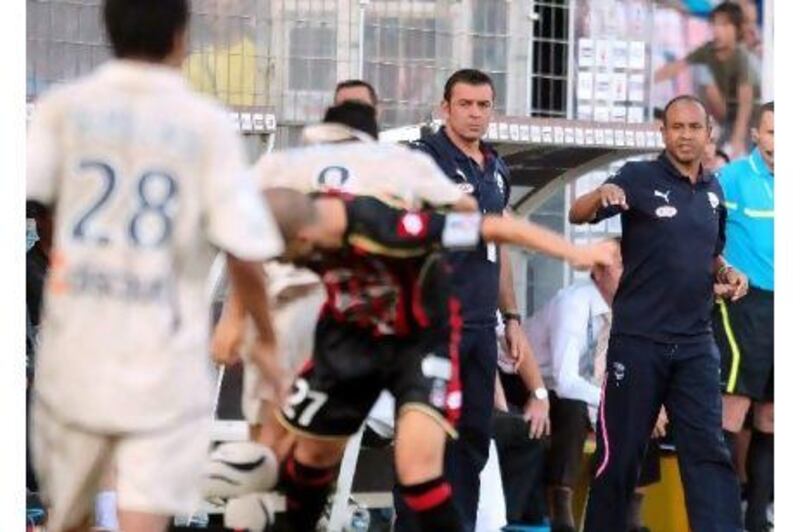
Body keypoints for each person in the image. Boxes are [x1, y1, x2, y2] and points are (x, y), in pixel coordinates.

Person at [26, 1, 285, 531]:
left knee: (68, 515)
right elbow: (245, 247)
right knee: (144, 510)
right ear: (180, 36)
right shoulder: (204, 123)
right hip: (162, 356)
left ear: (107, 30)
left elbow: (27, 195)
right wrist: (264, 336)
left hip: (76, 350)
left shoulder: (64, 107)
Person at [226, 187, 616, 532]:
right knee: (297, 455)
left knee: (418, 469)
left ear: (305, 237)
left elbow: (496, 228)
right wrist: (255, 334)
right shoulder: (278, 234)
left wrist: (576, 251)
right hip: (350, 338)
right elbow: (243, 260)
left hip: (419, 344)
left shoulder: (386, 226)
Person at [569, 94, 749, 532]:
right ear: (663, 132)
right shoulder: (638, 177)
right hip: (639, 344)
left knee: (708, 454)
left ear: (709, 134)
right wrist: (599, 194)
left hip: (694, 346)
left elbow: (710, 252)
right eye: (677, 127)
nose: (685, 135)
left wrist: (726, 271)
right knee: (621, 457)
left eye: (694, 128)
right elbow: (577, 213)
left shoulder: (713, 190)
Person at [402, 68, 543, 531]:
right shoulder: (423, 161)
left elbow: (497, 248)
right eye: (465, 104)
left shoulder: (496, 169)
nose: (475, 113)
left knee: (473, 441)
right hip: (434, 329)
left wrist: (514, 317)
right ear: (445, 108)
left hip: (483, 329)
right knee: (426, 442)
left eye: (483, 105)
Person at [522, 244, 665, 532]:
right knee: (574, 406)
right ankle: (560, 512)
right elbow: (565, 380)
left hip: (581, 387)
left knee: (642, 406)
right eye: (622, 265)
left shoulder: (633, 310)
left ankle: (631, 513)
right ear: (597, 271)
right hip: (528, 381)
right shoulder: (573, 302)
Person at [712, 101, 774, 532]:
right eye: (772, 134)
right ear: (755, 134)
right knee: (732, 411)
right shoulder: (730, 178)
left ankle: (758, 517)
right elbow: (706, 233)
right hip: (744, 304)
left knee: (774, 416)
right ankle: (723, 511)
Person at [655, 2, 758, 157]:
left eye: (724, 25)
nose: (717, 30)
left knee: (734, 157)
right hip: (728, 119)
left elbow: (746, 102)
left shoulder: (741, 57)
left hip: (749, 120)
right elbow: (679, 65)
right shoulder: (708, 50)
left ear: (736, 29)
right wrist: (649, 80)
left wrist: (738, 138)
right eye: (714, 24)